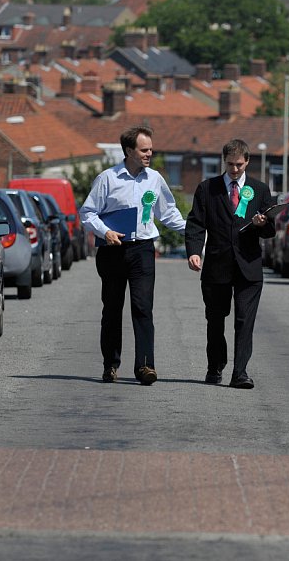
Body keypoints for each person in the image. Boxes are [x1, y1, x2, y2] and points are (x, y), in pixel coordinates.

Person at [80, 126, 185, 386]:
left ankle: (145, 366)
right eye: (144, 149)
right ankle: (111, 364)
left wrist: (195, 229)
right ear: (129, 151)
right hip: (113, 250)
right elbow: (87, 213)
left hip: (142, 250)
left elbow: (168, 213)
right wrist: (105, 232)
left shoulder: (154, 179)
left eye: (151, 148)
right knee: (113, 309)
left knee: (143, 308)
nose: (150, 153)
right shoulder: (108, 178)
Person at [185, 139, 275, 389]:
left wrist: (262, 224)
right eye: (230, 164)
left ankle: (240, 372)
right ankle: (215, 366)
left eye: (239, 164)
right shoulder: (207, 189)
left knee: (244, 320)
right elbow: (195, 223)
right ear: (223, 162)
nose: (234, 169)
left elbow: (270, 231)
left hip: (249, 266)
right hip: (216, 265)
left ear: (247, 162)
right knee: (215, 320)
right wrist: (194, 251)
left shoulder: (260, 190)